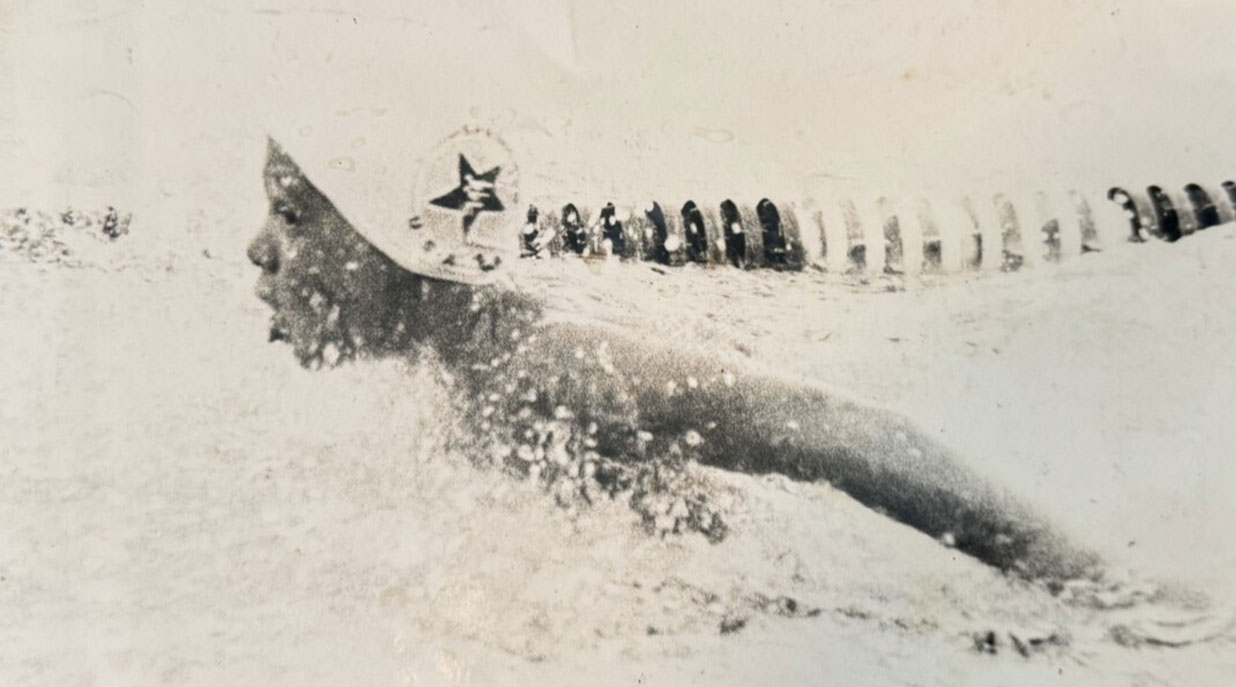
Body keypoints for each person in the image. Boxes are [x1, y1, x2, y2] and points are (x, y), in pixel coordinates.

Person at [247, 139, 1102, 584]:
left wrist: (1102, 590)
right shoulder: (465, 375)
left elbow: (851, 432)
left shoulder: (541, 366)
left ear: (399, 230)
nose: (257, 250)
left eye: (292, 213)